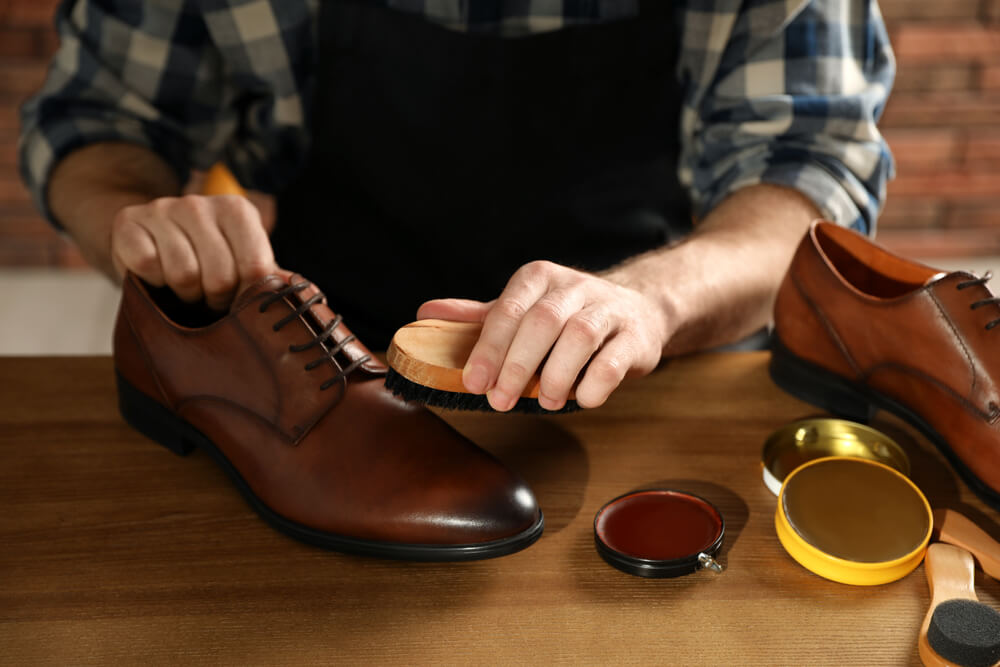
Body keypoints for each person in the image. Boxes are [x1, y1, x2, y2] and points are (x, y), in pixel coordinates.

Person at [20, 0, 894, 413]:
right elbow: (100, 120)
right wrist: (133, 216)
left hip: (660, 347)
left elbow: (808, 181)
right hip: (328, 367)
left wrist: (653, 302)